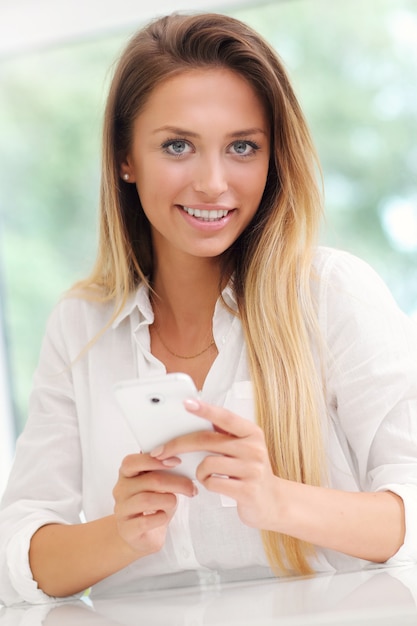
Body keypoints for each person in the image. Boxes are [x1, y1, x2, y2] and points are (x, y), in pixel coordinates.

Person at [1, 11, 417, 607]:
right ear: (125, 158)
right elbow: (17, 553)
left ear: (273, 157)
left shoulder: (333, 295)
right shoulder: (82, 324)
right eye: (177, 146)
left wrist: (278, 501)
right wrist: (120, 536)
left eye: (242, 147)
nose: (214, 183)